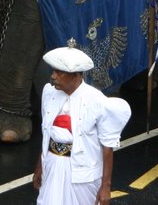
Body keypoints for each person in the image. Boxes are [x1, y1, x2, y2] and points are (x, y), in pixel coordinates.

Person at [32, 42, 132, 205]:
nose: (53, 76)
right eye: (53, 71)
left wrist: (106, 186)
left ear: (76, 75)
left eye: (60, 72)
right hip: (52, 170)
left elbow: (107, 148)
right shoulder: (49, 94)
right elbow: (47, 135)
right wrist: (40, 167)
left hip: (83, 178)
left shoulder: (97, 101)